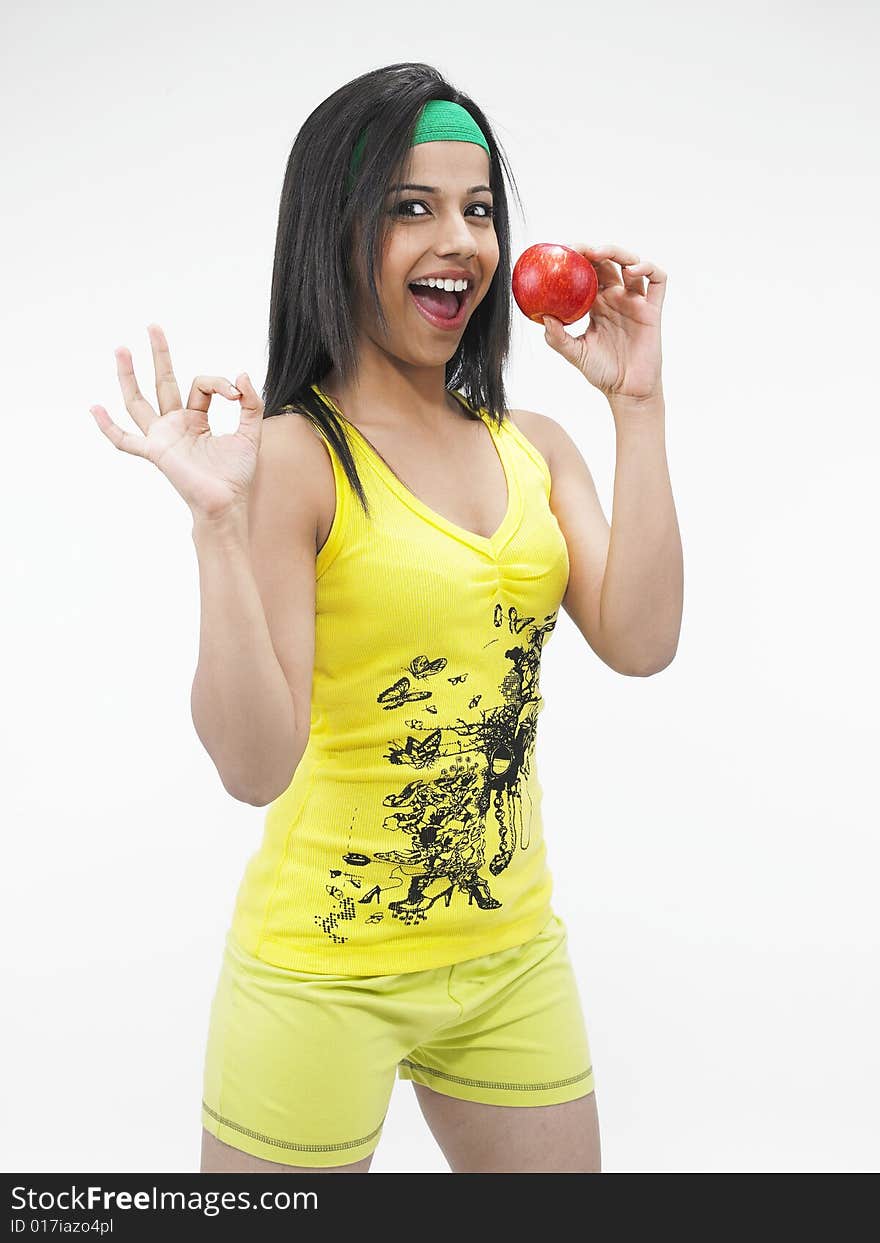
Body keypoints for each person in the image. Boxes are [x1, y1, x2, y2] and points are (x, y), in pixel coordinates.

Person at [89, 61, 676, 1174]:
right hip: (320, 968)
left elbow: (641, 641)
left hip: (509, 960)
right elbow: (256, 766)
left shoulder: (536, 447)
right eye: (411, 207)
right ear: (336, 232)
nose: (457, 237)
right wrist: (220, 524)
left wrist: (634, 406)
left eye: (478, 207)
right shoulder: (296, 458)